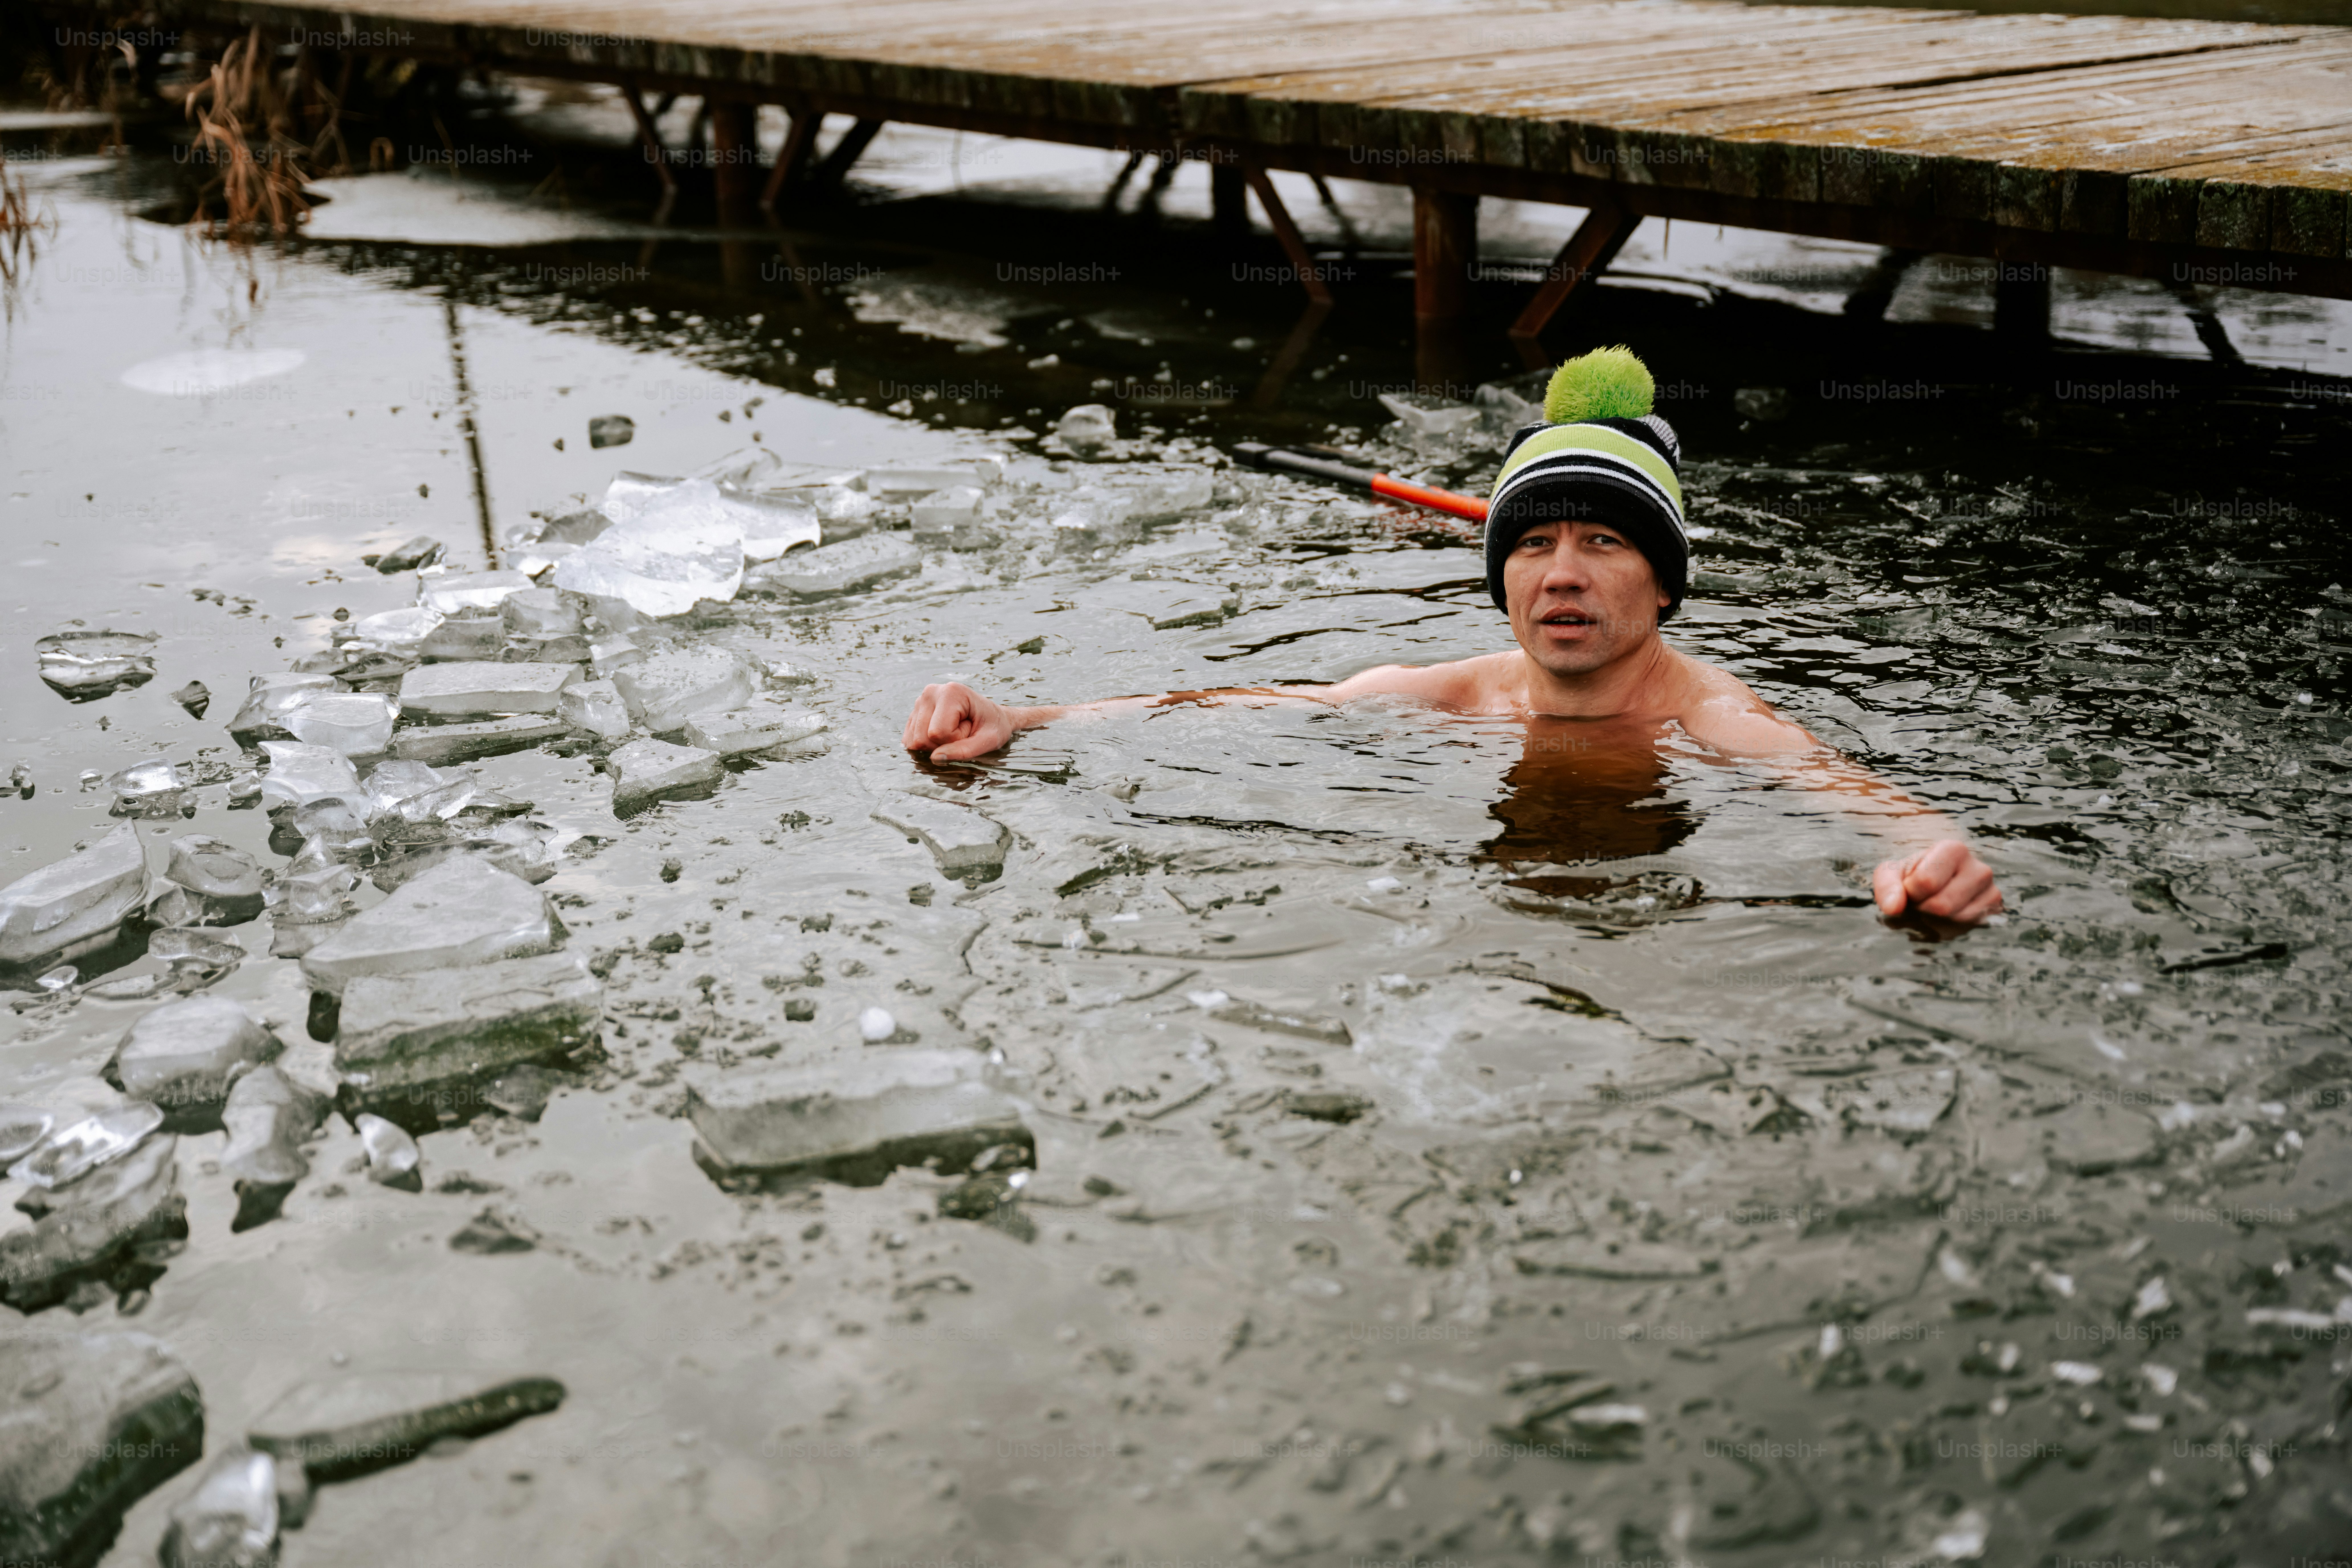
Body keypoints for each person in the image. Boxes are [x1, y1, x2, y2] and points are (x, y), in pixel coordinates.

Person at [903, 347, 2003, 926]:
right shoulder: (1459, 695)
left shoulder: (1710, 720)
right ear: (1503, 576)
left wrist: (1935, 861)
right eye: (1533, 546)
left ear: (1665, 586)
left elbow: (1851, 796)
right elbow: (1267, 706)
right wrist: (1030, 719)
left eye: (1604, 544)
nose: (1562, 572)